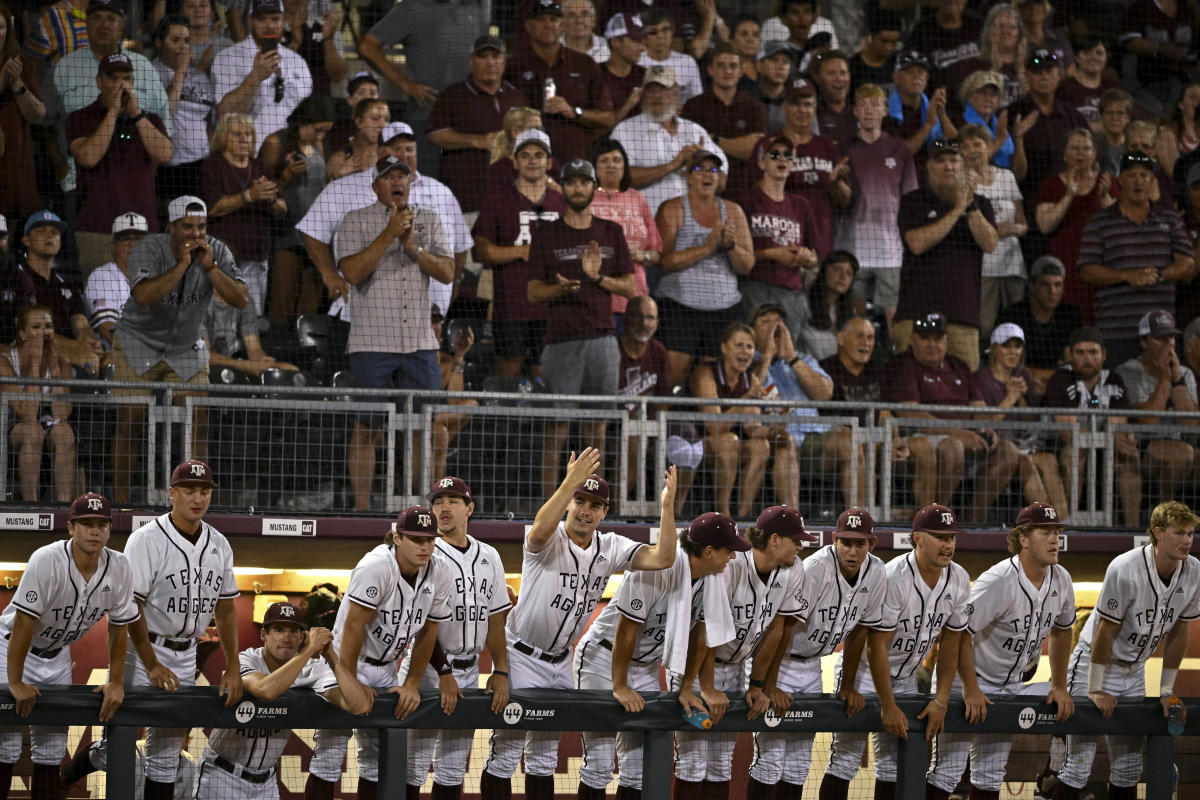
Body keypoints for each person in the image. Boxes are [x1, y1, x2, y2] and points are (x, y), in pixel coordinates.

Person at [479, 449, 676, 800]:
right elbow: (540, 527)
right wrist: (568, 482)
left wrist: (666, 507)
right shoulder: (548, 539)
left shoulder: (610, 546)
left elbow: (663, 557)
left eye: (595, 505)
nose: (585, 510)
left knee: (543, 758)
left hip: (561, 662)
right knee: (505, 753)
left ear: (604, 511)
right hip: (521, 655)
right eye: (579, 501)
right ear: (569, 502)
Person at [65, 460, 242, 800]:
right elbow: (131, 609)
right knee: (118, 740)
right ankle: (73, 771)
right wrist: (151, 664)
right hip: (141, 648)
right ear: (172, 493)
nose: (198, 498)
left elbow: (226, 607)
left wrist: (232, 667)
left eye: (205, 491)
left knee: (166, 754)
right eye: (189, 490)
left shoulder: (219, 542)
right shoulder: (146, 538)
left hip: (186, 651)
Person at [575, 507, 744, 800]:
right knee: (600, 764)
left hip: (647, 665)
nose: (732, 557)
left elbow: (701, 635)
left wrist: (688, 686)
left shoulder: (711, 579)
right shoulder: (657, 568)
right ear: (707, 550)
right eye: (728, 550)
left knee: (638, 767)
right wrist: (620, 686)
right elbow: (625, 631)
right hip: (604, 659)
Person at [925, 501, 1077, 800]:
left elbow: (1062, 630)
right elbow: (957, 633)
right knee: (946, 773)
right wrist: (970, 688)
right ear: (1022, 538)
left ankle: (1050, 777)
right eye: (1044, 532)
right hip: (964, 682)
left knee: (990, 774)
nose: (1054, 538)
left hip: (1009, 686)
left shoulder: (1062, 579)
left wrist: (1059, 685)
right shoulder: (999, 581)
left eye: (1056, 531)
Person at [819, 504, 971, 800]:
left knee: (891, 766)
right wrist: (887, 705)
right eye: (940, 536)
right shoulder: (893, 578)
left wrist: (940, 699)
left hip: (906, 678)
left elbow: (951, 642)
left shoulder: (959, 578)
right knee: (845, 760)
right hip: (864, 672)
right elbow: (876, 647)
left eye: (951, 537)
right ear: (918, 538)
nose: (948, 544)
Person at [1050, 501, 1200, 800]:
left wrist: (1166, 691)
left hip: (1135, 669)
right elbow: (1105, 633)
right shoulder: (1125, 567)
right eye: (1179, 533)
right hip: (1094, 663)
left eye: (1191, 534)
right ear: (1157, 533)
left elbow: (1179, 633)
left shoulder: (1194, 571)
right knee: (1078, 767)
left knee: (1129, 768)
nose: (1187, 541)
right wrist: (1095, 689)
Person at [304, 506, 452, 800]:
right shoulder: (376, 565)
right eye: (416, 539)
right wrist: (349, 678)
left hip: (385, 667)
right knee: (330, 754)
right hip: (344, 660)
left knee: (375, 760)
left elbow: (428, 631)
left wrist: (411, 682)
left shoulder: (440, 572)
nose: (425, 546)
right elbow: (354, 627)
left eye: (430, 540)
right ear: (397, 538)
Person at [109, 196, 248, 503]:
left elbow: (241, 299)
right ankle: (119, 506)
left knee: (197, 417)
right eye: (187, 227)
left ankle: (192, 501)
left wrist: (210, 269)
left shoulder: (217, 250)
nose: (196, 234)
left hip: (186, 346)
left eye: (201, 226)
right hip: (137, 341)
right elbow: (144, 296)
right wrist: (183, 265)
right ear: (171, 227)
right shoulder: (147, 248)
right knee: (130, 419)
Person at [336, 155, 454, 510]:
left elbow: (448, 272)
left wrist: (412, 247)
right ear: (376, 186)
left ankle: (425, 505)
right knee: (368, 426)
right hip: (372, 341)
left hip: (419, 340)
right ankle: (362, 507)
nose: (397, 181)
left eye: (402, 175)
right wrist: (389, 234)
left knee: (428, 427)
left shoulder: (428, 219)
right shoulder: (355, 221)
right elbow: (352, 273)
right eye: (389, 177)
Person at [0, 493, 136, 799]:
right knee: (5, 747)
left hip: (58, 654)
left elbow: (118, 625)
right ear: (71, 528)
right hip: (11, 647)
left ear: (109, 529)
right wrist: (15, 680)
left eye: (101, 524)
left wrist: (115, 680)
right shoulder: (47, 560)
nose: (94, 530)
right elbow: (22, 623)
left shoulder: (120, 566)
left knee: (50, 750)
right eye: (86, 523)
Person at [748, 507, 888, 799]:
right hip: (781, 661)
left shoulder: (876, 572)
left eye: (859, 543)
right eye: (846, 542)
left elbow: (860, 632)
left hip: (812, 666)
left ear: (871, 544)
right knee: (770, 760)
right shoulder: (815, 569)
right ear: (834, 540)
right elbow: (782, 627)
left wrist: (847, 686)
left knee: (799, 765)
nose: (852, 550)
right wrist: (769, 684)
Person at [671, 504, 809, 800]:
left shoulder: (793, 569)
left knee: (721, 763)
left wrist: (759, 685)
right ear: (774, 539)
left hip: (735, 669)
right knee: (692, 762)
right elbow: (706, 629)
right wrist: (706, 687)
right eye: (795, 539)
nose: (800, 546)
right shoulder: (731, 565)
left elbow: (776, 629)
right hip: (694, 668)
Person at [528, 157, 636, 494]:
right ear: (564, 188)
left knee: (597, 427)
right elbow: (532, 291)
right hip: (560, 341)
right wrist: (558, 289)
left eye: (584, 182)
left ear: (594, 187)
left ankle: (594, 499)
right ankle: (548, 502)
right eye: (572, 182)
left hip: (603, 339)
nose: (578, 188)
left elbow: (630, 287)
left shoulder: (611, 231)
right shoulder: (546, 234)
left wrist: (597, 277)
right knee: (556, 426)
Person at [402, 477, 510, 800]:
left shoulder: (490, 556)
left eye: (453, 500)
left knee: (451, 770)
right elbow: (421, 623)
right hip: (427, 669)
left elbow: (496, 619)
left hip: (469, 670)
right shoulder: (425, 555)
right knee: (413, 767)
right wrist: (444, 672)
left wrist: (501, 671)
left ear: (469, 508)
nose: (444, 507)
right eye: (437, 501)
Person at [194, 602, 363, 800]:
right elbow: (265, 690)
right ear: (264, 635)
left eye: (294, 630)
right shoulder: (246, 659)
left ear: (302, 637)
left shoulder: (312, 668)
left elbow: (358, 705)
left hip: (266, 782)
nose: (286, 637)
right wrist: (308, 650)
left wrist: (331, 656)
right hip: (222, 775)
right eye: (278, 629)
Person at [886, 311, 1020, 522]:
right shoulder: (904, 364)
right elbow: (910, 414)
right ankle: (936, 518)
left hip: (964, 437)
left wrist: (981, 430)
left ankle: (971, 520)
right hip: (922, 437)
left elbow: (979, 410)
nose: (932, 344)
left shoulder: (959, 366)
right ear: (912, 340)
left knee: (1008, 451)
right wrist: (958, 433)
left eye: (938, 338)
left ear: (947, 341)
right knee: (953, 446)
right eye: (925, 338)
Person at [1077, 150, 1194, 366]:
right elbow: (1086, 270)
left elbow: (1187, 264)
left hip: (1160, 335)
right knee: (1111, 396)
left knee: (1164, 394)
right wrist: (1127, 275)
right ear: (1120, 179)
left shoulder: (1170, 218)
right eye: (1132, 175)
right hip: (1115, 333)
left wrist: (1158, 275)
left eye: (1144, 175)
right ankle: (1096, 403)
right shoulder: (1100, 222)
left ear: (1153, 181)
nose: (1138, 181)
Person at [893, 138, 999, 371]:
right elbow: (917, 243)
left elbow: (990, 243)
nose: (948, 166)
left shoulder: (981, 204)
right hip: (915, 313)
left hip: (963, 316)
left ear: (963, 166)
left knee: (964, 388)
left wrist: (970, 206)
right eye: (941, 161)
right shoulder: (913, 201)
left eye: (954, 160)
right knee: (908, 380)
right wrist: (957, 210)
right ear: (930, 166)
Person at [67, 52, 174, 273]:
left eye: (126, 78)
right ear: (100, 82)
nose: (121, 84)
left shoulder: (150, 120)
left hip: (144, 230)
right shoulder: (80, 118)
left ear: (133, 82)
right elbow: (89, 157)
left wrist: (136, 114)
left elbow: (165, 155)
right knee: (100, 301)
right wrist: (113, 112)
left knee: (145, 302)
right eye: (113, 79)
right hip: (98, 230)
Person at [655, 150, 753, 386]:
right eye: (700, 170)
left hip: (723, 307)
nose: (707, 175)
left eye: (713, 170)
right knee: (673, 377)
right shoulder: (673, 209)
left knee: (715, 378)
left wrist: (730, 246)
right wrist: (707, 248)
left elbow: (747, 265)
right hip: (679, 305)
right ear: (688, 177)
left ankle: (708, 423)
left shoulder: (733, 211)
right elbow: (664, 262)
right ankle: (664, 421)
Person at [357, 0, 486, 180]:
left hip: (466, 121)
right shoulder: (412, 8)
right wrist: (405, 83)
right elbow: (368, 46)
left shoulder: (474, 7)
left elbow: (484, 56)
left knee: (464, 193)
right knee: (422, 187)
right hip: (426, 117)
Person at [472, 128, 565, 377]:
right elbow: (479, 251)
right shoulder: (498, 201)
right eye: (525, 155)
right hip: (512, 306)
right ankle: (505, 418)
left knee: (546, 373)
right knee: (507, 373)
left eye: (538, 155)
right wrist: (521, 252)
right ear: (514, 161)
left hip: (555, 308)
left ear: (550, 162)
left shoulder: (562, 202)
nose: (532, 160)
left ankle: (546, 419)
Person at [1040, 326, 1141, 527]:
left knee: (1129, 456)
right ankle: (1072, 524)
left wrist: (1122, 440)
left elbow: (1119, 426)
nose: (1087, 358)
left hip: (1106, 449)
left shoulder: (1114, 380)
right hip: (1059, 446)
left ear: (1103, 354)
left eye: (1093, 352)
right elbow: (1068, 432)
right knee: (1074, 453)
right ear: (1070, 354)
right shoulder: (1060, 379)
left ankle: (1133, 528)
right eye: (1080, 352)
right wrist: (1110, 435)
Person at [837, 83, 918, 332]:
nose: (869, 110)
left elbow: (910, 199)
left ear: (885, 110)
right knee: (856, 317)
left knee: (894, 316)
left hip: (890, 249)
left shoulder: (900, 150)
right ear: (855, 112)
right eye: (863, 105)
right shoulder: (844, 150)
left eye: (875, 104)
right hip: (853, 247)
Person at [428, 35, 530, 218]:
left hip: (511, 197)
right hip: (467, 197)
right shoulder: (453, 95)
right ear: (471, 61)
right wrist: (476, 140)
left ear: (504, 61)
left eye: (496, 56)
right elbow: (435, 134)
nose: (490, 62)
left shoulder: (516, 96)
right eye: (483, 56)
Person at [504, 0, 614, 162]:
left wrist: (574, 112)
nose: (548, 25)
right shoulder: (513, 66)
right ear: (529, 26)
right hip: (527, 163)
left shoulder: (584, 64)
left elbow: (607, 119)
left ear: (561, 25)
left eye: (554, 20)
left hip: (573, 163)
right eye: (541, 20)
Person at [976, 322, 1068, 511]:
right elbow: (984, 423)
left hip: (1022, 443)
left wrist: (1022, 398)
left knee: (1049, 460)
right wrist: (1010, 397)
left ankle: (1065, 527)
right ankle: (1045, 523)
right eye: (1006, 346)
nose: (1012, 352)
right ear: (993, 349)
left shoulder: (1023, 374)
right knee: (1025, 463)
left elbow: (1029, 422)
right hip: (995, 448)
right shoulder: (981, 378)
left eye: (1017, 346)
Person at [737, 134, 820, 343]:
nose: (782, 159)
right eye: (774, 155)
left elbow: (814, 256)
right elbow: (734, 254)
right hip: (755, 288)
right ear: (761, 162)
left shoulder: (801, 205)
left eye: (787, 155)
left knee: (785, 354)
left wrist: (805, 256)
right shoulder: (746, 200)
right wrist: (772, 254)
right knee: (753, 350)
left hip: (790, 291)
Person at [259, 94, 333, 323]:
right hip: (287, 230)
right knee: (283, 300)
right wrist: (287, 176)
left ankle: (305, 351)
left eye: (325, 132)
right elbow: (263, 190)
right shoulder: (275, 143)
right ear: (303, 121)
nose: (320, 136)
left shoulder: (317, 144)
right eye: (317, 130)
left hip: (316, 232)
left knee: (309, 303)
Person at [612, 64, 724, 216]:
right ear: (642, 94)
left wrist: (699, 166)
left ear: (677, 94)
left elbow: (722, 180)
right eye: (651, 90)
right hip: (643, 219)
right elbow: (618, 177)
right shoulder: (625, 130)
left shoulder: (694, 130)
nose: (657, 96)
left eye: (664, 89)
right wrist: (673, 165)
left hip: (692, 219)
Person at [1115, 309, 1199, 508]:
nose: (1169, 343)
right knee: (1183, 454)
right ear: (1144, 342)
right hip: (1144, 447)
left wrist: (1177, 380)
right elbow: (1147, 423)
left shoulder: (1185, 373)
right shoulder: (1126, 371)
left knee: (1185, 452)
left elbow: (1191, 424)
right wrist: (1164, 377)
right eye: (1160, 338)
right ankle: (1163, 516)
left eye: (1171, 337)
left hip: (1182, 443)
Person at [202, 113, 283, 316]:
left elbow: (283, 208)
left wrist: (270, 199)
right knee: (222, 315)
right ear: (223, 138)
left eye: (248, 134)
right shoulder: (213, 165)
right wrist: (249, 196)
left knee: (252, 318)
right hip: (223, 258)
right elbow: (212, 207)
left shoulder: (261, 168)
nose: (244, 139)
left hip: (257, 256)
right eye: (237, 134)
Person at [687, 323, 771, 518]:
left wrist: (776, 426)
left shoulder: (749, 379)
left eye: (749, 346)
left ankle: (742, 517)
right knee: (728, 440)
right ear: (724, 348)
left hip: (731, 444)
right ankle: (723, 515)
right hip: (696, 441)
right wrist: (747, 397)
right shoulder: (705, 373)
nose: (745, 351)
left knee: (761, 446)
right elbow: (714, 426)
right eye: (739, 345)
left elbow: (753, 428)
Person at [1034, 127, 1116, 323]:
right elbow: (1044, 225)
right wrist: (1069, 195)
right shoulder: (1052, 183)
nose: (1081, 153)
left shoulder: (1107, 181)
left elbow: (1119, 224)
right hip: (1064, 262)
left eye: (1086, 148)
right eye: (1075, 148)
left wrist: (1104, 197)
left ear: (1095, 153)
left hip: (1099, 262)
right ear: (1064, 155)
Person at [1, 210, 102, 367]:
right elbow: (26, 332)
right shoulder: (15, 278)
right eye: (41, 231)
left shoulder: (68, 285)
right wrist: (76, 346)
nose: (49, 236)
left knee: (102, 359)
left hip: (65, 351)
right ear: (26, 240)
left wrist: (88, 341)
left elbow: (81, 324)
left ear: (60, 241)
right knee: (88, 360)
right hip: (27, 350)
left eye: (55, 233)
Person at [212, 0, 313, 154]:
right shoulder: (227, 57)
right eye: (261, 19)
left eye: (275, 19)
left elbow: (307, 119)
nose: (269, 25)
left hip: (286, 156)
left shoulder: (297, 62)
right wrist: (256, 77)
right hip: (244, 156)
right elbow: (225, 114)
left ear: (283, 20)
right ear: (250, 21)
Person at [0, 306, 77, 502]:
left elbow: (61, 414)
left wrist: (54, 368)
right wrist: (35, 365)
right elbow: (25, 412)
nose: (43, 332)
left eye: (48, 327)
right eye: (36, 326)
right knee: (32, 430)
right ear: (23, 333)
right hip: (8, 423)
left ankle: (64, 506)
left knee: (65, 433)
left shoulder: (61, 363)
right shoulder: (5, 360)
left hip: (41, 420)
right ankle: (30, 504)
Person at [762, 77, 844, 258]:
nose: (802, 110)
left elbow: (845, 200)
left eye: (807, 105)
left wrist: (837, 183)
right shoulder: (769, 146)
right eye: (795, 104)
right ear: (784, 107)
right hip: (782, 244)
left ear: (815, 109)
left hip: (822, 244)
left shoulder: (828, 147)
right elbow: (757, 196)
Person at [960, 123, 1028, 337]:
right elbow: (962, 226)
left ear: (989, 147)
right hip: (983, 267)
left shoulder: (1006, 177)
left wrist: (1014, 229)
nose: (972, 150)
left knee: (1016, 325)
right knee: (985, 327)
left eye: (977, 144)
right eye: (966, 146)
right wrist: (996, 230)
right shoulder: (961, 182)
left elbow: (1024, 223)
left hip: (1013, 265)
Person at [681, 42, 767, 195]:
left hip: (744, 191)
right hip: (703, 191)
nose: (727, 71)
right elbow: (691, 152)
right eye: (721, 65)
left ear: (741, 71)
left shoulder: (755, 108)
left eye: (733, 66)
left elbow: (754, 152)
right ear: (710, 70)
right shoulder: (693, 107)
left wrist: (713, 140)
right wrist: (737, 145)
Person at [588, 137, 659, 319]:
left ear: (625, 166)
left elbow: (656, 252)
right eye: (604, 160)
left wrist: (642, 256)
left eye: (617, 160)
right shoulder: (585, 198)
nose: (611, 165)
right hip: (596, 296)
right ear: (593, 167)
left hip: (634, 298)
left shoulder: (637, 198)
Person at [1008, 48, 1090, 197]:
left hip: (1070, 194)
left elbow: (1090, 157)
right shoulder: (1012, 114)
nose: (1044, 76)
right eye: (1037, 72)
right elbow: (1012, 173)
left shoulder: (1073, 115)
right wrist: (1018, 138)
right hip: (1029, 196)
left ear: (1058, 75)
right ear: (1026, 76)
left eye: (1049, 71)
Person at [152, 14, 215, 205]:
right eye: (175, 40)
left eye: (186, 41)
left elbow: (209, 119)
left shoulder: (200, 76)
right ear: (159, 42)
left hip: (203, 164)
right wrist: (181, 71)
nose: (182, 46)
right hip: (170, 169)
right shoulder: (149, 72)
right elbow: (164, 111)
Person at [997, 255, 1084, 394]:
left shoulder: (1070, 316)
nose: (1052, 291)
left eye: (1057, 285)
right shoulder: (1013, 315)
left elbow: (1079, 366)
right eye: (1045, 284)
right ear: (1032, 286)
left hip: (1061, 387)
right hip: (1017, 385)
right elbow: (1004, 364)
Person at [0, 2, 45, 219]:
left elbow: (38, 114)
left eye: (0, 28)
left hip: (13, 164)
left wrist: (17, 84)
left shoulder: (21, 65)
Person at [1119, 0, 1195, 113]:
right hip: (1145, 81)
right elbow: (1128, 41)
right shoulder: (1141, 7)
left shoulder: (1187, 9)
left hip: (1181, 80)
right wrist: (1160, 48)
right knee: (1156, 111)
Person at [85, 211, 149, 344]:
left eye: (138, 239)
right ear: (113, 246)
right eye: (126, 239)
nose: (132, 244)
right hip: (119, 355)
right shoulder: (101, 277)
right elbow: (107, 328)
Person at [944, 4, 1025, 109]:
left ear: (1019, 33)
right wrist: (994, 70)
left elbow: (1033, 103)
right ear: (989, 31)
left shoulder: (1030, 65)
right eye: (1000, 26)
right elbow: (967, 103)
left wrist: (1021, 71)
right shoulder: (971, 65)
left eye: (1012, 27)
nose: (1006, 31)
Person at [884, 49, 957, 165]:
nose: (916, 76)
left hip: (935, 175)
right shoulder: (885, 112)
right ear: (896, 78)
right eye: (909, 71)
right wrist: (928, 125)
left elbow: (957, 146)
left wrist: (942, 115)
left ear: (927, 78)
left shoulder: (932, 106)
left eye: (921, 71)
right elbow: (898, 155)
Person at [279, 0, 347, 101]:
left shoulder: (325, 27)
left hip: (318, 105)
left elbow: (337, 76)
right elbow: (270, 74)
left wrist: (328, 40)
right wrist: (295, 43)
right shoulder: (272, 28)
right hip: (282, 103)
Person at [906, 0, 980, 88]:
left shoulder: (976, 24)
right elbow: (912, 67)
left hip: (978, 95)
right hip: (940, 97)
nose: (952, 1)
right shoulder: (923, 30)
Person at [636, 7, 702, 102]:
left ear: (672, 32)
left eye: (665, 29)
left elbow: (697, 100)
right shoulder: (637, 61)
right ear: (643, 37)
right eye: (653, 32)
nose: (661, 36)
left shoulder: (687, 62)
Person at [801, 249, 856, 360]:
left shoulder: (849, 312)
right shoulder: (802, 303)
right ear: (824, 271)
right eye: (837, 269)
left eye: (849, 273)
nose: (843, 277)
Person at [956, 70, 1014, 168]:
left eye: (993, 94)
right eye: (983, 93)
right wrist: (999, 141)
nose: (989, 99)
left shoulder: (1000, 125)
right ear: (970, 96)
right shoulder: (958, 123)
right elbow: (968, 161)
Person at [1057, 34, 1119, 124]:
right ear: (1076, 57)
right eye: (1086, 52)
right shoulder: (1064, 88)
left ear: (1106, 57)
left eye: (1099, 53)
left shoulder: (1114, 88)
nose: (1093, 57)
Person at [324, 97, 389, 181]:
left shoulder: (391, 156)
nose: (382, 125)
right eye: (375, 118)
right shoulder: (340, 159)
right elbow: (327, 190)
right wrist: (340, 176)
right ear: (359, 122)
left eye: (386, 119)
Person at [599, 11, 646, 124]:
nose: (643, 48)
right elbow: (596, 128)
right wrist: (629, 104)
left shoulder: (645, 75)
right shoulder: (596, 75)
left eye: (642, 42)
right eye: (636, 41)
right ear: (615, 42)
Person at [848, 8, 904, 92]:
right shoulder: (853, 66)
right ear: (870, 37)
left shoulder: (899, 64)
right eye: (883, 41)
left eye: (893, 42)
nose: (888, 47)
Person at [812, 49, 857, 147]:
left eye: (843, 73)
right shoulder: (811, 114)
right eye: (832, 73)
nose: (839, 78)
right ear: (818, 78)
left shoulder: (860, 113)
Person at [1158, 82, 1200, 178]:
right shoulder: (1167, 134)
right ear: (1181, 104)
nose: (1198, 101)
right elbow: (1173, 172)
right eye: (1193, 97)